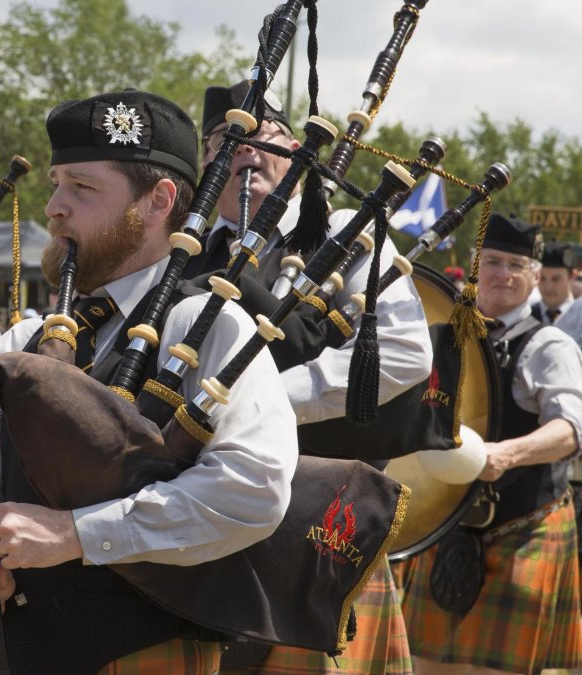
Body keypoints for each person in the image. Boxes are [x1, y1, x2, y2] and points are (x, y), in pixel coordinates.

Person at [0, 89, 299, 672]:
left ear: (157, 201)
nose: (54, 206)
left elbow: (253, 489)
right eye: (55, 184)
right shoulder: (20, 342)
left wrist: (75, 534)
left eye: (82, 187)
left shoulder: (205, 325)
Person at [194, 80, 432, 674]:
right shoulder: (191, 250)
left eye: (262, 136)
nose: (244, 149)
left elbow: (402, 353)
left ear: (297, 151)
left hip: (321, 517)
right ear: (205, 166)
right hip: (207, 511)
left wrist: (264, 399)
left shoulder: (343, 230)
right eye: (226, 140)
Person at [402, 214, 582, 675]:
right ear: (477, 265)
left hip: (525, 524)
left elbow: (571, 429)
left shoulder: (548, 346)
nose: (502, 274)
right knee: (426, 667)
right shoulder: (444, 335)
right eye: (493, 261)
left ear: (535, 277)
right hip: (448, 523)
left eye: (516, 265)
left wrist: (506, 454)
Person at [533, 241, 575, 325]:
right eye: (542, 278)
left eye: (556, 279)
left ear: (571, 276)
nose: (548, 287)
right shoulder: (526, 317)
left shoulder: (579, 316)